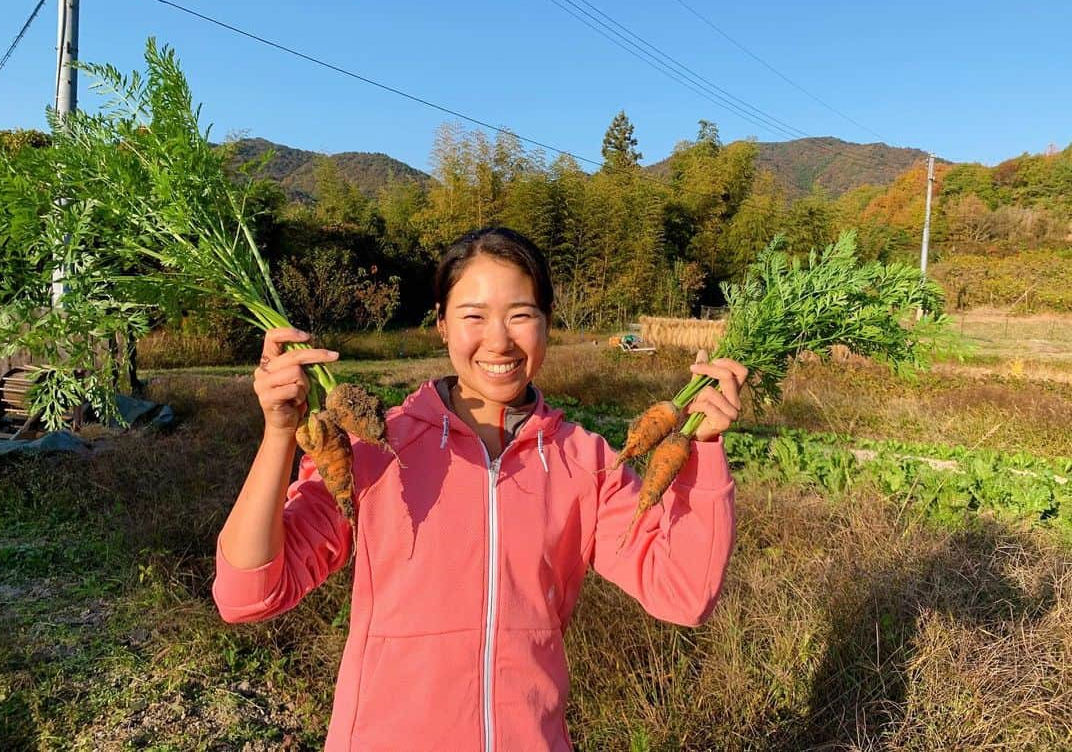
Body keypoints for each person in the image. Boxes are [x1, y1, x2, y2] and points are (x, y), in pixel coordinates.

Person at [213, 227, 747, 752]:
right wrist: (281, 433)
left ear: (546, 325)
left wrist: (703, 449)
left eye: (520, 315)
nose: (498, 340)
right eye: (474, 316)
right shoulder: (375, 447)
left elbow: (683, 593)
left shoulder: (583, 461)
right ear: (442, 324)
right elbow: (248, 595)